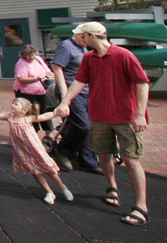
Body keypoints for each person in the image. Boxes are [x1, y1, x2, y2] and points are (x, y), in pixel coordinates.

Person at [55, 22, 150, 227]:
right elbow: (79, 82)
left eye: (83, 36)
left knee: (131, 159)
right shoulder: (89, 58)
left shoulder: (123, 55)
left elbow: (142, 83)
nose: (82, 40)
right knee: (104, 155)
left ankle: (141, 206)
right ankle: (112, 187)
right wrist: (65, 101)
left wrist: (140, 114)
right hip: (99, 116)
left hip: (125, 117)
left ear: (91, 36)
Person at [0, 98, 74, 205]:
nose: (13, 105)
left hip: (35, 149)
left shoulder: (27, 119)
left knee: (49, 170)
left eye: (16, 104)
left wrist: (55, 113)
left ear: (24, 110)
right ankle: (49, 192)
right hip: (22, 151)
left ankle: (63, 188)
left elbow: (43, 117)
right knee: (35, 172)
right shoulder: (9, 117)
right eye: (12, 103)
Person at [52, 29, 100, 173]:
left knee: (91, 125)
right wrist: (65, 95)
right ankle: (63, 150)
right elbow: (57, 69)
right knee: (82, 125)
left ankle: (87, 161)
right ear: (80, 35)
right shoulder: (66, 46)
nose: (88, 43)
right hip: (72, 92)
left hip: (85, 91)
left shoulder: (83, 47)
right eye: (86, 39)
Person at [13, 44, 55, 138]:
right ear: (24, 55)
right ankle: (32, 135)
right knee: (30, 112)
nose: (31, 57)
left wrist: (52, 76)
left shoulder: (38, 59)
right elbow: (21, 79)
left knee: (45, 110)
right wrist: (36, 78)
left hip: (41, 90)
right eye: (29, 56)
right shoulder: (21, 63)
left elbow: (47, 71)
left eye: (33, 55)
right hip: (26, 92)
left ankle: (49, 136)